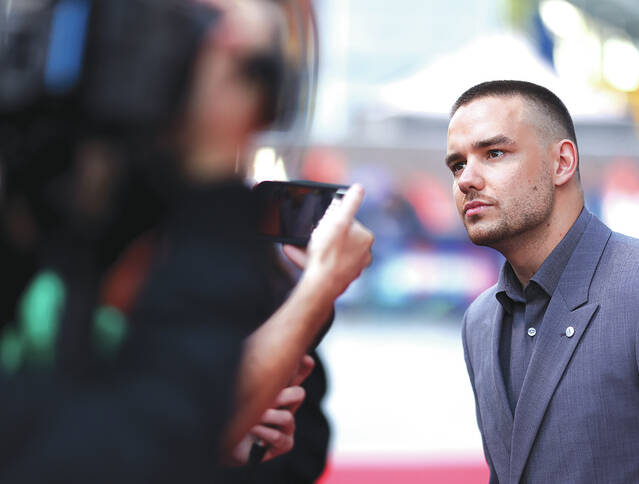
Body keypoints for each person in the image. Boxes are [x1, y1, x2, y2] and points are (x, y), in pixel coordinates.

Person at [0, 0, 372, 482]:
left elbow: (301, 448)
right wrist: (315, 290)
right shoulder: (50, 237)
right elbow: (134, 445)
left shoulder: (240, 263)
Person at [446, 80, 639, 483]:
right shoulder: (480, 321)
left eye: (494, 153)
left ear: (562, 162)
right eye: (457, 165)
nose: (466, 179)